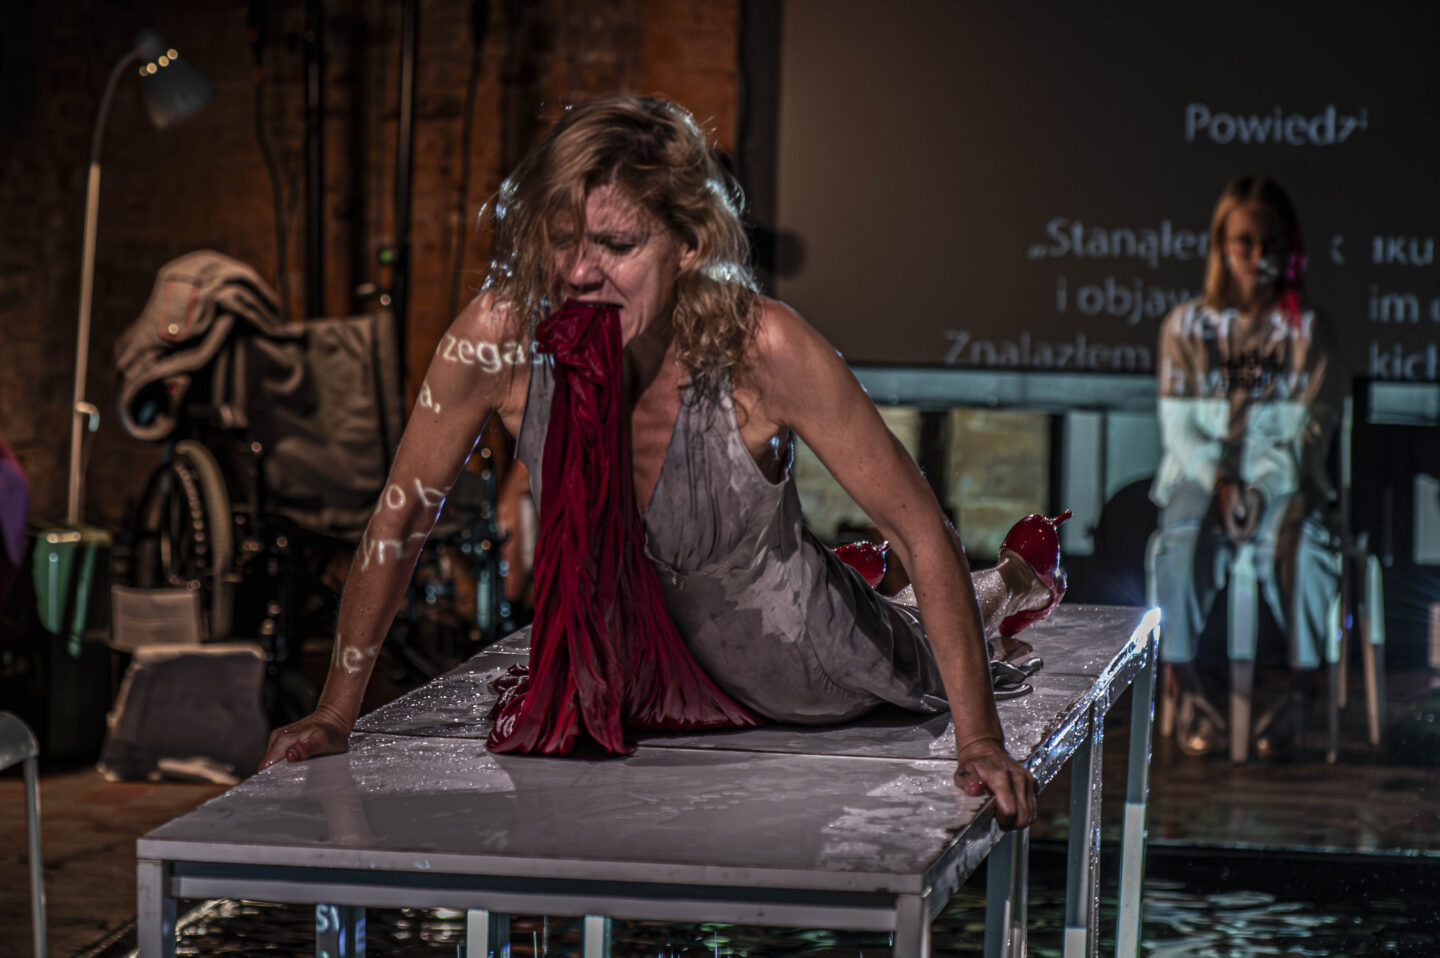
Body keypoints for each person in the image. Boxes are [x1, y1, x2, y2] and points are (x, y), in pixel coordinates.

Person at [260, 96, 1065, 828]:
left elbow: (921, 530)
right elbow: (402, 513)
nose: (579, 272)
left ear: (687, 244)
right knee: (835, 573)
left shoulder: (763, 347)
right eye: (562, 240)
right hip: (634, 682)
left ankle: (1019, 579)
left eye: (616, 245)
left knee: (918, 625)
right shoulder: (500, 335)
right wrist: (334, 714)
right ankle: (852, 570)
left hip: (797, 671)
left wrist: (979, 742)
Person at [1149, 175, 1342, 759]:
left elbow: (1311, 431)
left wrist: (1259, 487)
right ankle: (1183, 686)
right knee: (1181, 540)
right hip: (1200, 479)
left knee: (1303, 547)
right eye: (1245, 242)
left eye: (1271, 243)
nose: (1259, 256)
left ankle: (1303, 692)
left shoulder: (1311, 331)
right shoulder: (1185, 326)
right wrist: (1223, 481)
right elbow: (1180, 430)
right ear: (1221, 246)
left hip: (1284, 483)